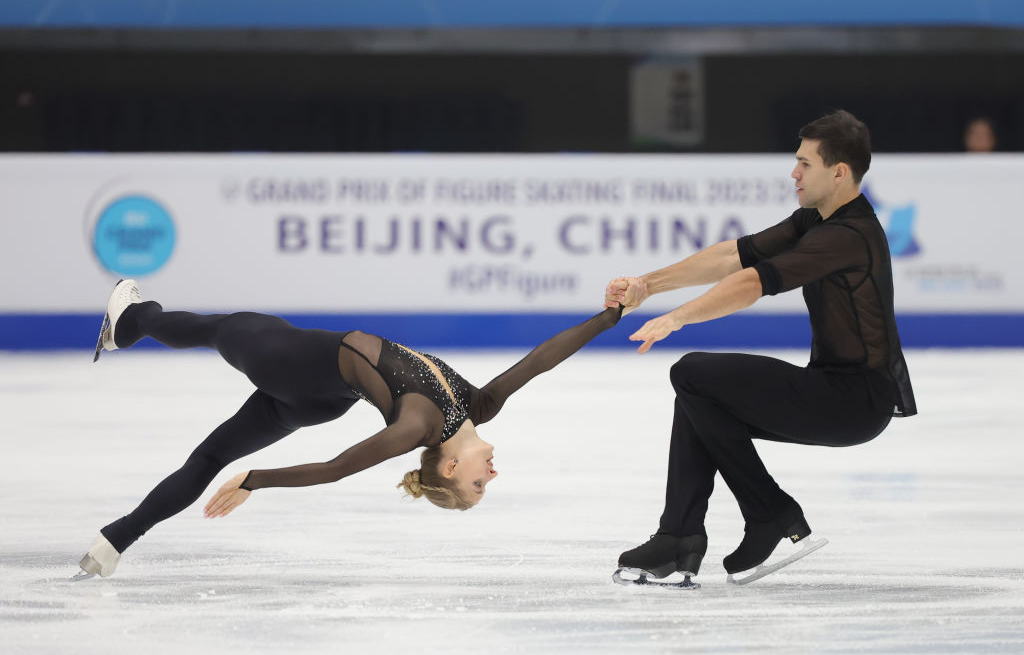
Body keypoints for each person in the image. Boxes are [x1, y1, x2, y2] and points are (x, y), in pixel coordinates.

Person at [77, 279, 623, 579]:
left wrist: (255, 480)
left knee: (219, 328)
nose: (494, 474)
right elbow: (540, 360)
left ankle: (136, 317)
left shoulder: (417, 426)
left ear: (451, 468)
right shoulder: (479, 406)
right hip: (319, 399)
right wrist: (606, 320)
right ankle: (114, 542)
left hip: (288, 364)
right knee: (205, 457)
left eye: (480, 484)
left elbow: (337, 469)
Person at [605, 110, 916, 586]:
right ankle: (679, 538)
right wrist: (648, 285)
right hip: (836, 389)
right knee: (700, 399)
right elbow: (736, 254)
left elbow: (753, 282)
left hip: (854, 400)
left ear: (839, 172)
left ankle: (771, 513)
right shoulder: (816, 218)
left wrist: (678, 317)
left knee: (692, 373)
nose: (794, 172)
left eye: (805, 163)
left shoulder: (847, 236)